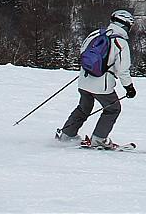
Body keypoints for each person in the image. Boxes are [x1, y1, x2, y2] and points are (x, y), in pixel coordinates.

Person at [56, 10, 136, 149]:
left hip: (84, 80)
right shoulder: (120, 42)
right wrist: (129, 87)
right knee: (112, 109)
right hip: (102, 85)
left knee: (83, 108)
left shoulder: (95, 34)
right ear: (127, 25)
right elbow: (123, 69)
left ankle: (67, 135)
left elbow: (83, 53)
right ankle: (99, 139)